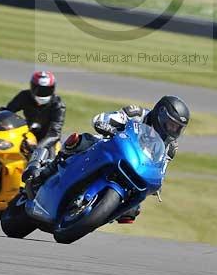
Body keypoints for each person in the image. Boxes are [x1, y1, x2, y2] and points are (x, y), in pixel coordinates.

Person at [22, 95, 190, 224]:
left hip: (137, 167)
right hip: (111, 147)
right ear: (161, 113)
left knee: (133, 210)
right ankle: (44, 173)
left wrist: (156, 184)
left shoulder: (170, 147)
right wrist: (106, 125)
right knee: (80, 141)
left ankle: (97, 214)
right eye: (171, 124)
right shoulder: (137, 114)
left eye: (177, 128)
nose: (173, 129)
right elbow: (105, 118)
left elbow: (162, 168)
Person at [5, 70, 65, 160]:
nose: (42, 93)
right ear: (32, 87)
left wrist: (38, 148)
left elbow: (55, 133)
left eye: (46, 90)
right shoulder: (24, 96)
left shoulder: (58, 105)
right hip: (27, 133)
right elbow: (8, 112)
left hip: (48, 138)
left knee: (50, 161)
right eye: (38, 89)